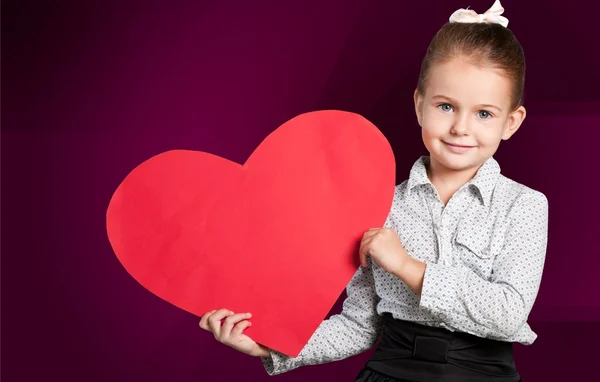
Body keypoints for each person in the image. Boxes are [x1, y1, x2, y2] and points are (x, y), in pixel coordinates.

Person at [199, 1, 548, 381]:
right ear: (419, 105)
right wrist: (270, 346)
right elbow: (359, 325)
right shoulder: (380, 206)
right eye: (446, 106)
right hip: (390, 373)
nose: (461, 128)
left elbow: (510, 313)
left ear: (511, 122)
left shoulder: (524, 206)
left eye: (484, 114)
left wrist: (406, 266)